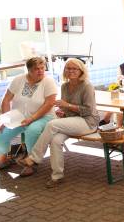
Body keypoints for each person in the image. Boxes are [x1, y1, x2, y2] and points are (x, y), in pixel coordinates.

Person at [17, 59, 99, 187]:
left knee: (52, 124)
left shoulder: (87, 86)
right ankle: (57, 176)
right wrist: (62, 110)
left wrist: (68, 105)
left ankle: (33, 158)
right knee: (55, 141)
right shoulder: (64, 86)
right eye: (68, 68)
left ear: (81, 70)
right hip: (71, 121)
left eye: (74, 69)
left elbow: (89, 110)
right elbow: (67, 108)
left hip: (88, 122)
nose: (71, 71)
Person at [0, 57, 56, 174]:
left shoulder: (48, 81)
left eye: (42, 68)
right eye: (36, 69)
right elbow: (6, 100)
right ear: (29, 70)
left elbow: (50, 103)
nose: (40, 71)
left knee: (32, 131)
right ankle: (3, 160)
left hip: (44, 117)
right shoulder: (18, 79)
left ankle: (31, 162)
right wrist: (5, 120)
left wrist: (32, 119)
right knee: (1, 133)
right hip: (19, 117)